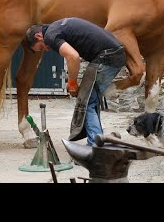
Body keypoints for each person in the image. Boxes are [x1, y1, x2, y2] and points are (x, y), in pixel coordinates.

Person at [25, 17, 126, 146]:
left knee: (86, 102)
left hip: (106, 56)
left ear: (39, 36)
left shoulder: (50, 35)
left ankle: (95, 145)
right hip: (114, 53)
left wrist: (72, 82)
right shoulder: (57, 26)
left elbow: (73, 57)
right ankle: (98, 139)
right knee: (91, 99)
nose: (46, 49)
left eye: (40, 47)